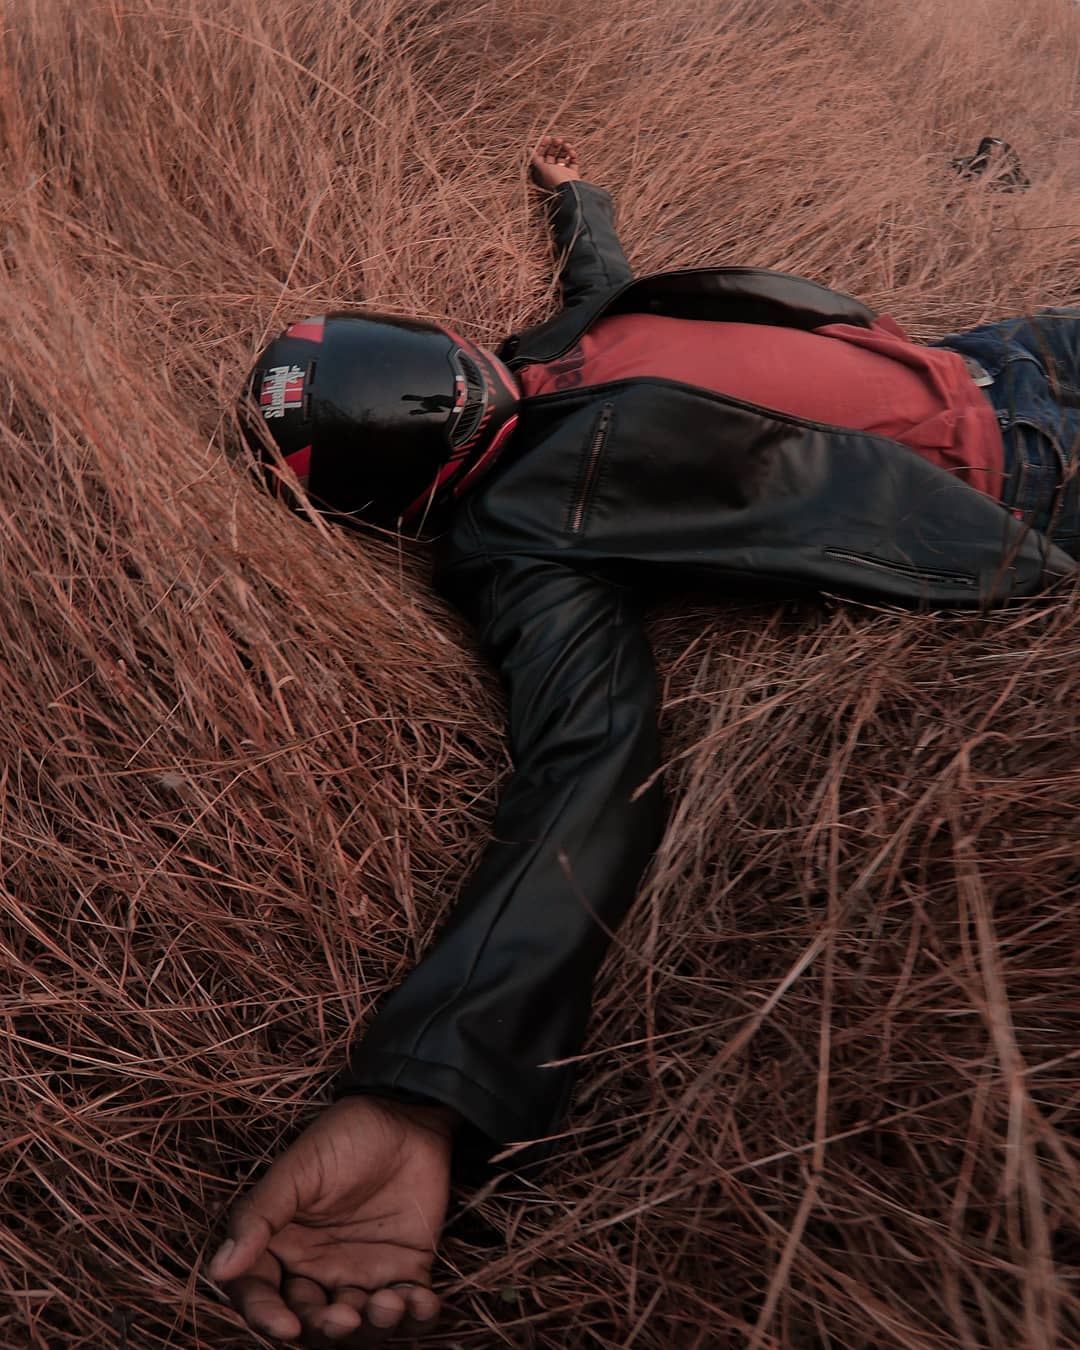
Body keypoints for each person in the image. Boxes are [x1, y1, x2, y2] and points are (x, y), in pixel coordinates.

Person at [206, 133, 1079, 1345]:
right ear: (411, 475)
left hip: (1018, 350)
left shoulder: (539, 358)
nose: (462, 379)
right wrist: (426, 1092)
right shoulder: (523, 543)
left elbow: (602, 291)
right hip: (1034, 472)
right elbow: (589, 766)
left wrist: (576, 201)